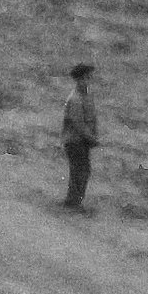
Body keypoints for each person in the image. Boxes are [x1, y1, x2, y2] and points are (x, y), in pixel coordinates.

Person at [60, 63, 100, 211]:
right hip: (75, 140)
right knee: (81, 170)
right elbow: (79, 124)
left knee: (81, 170)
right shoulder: (75, 99)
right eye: (86, 78)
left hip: (81, 141)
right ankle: (73, 202)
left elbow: (92, 117)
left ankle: (73, 201)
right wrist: (92, 138)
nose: (89, 81)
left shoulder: (86, 95)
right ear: (79, 79)